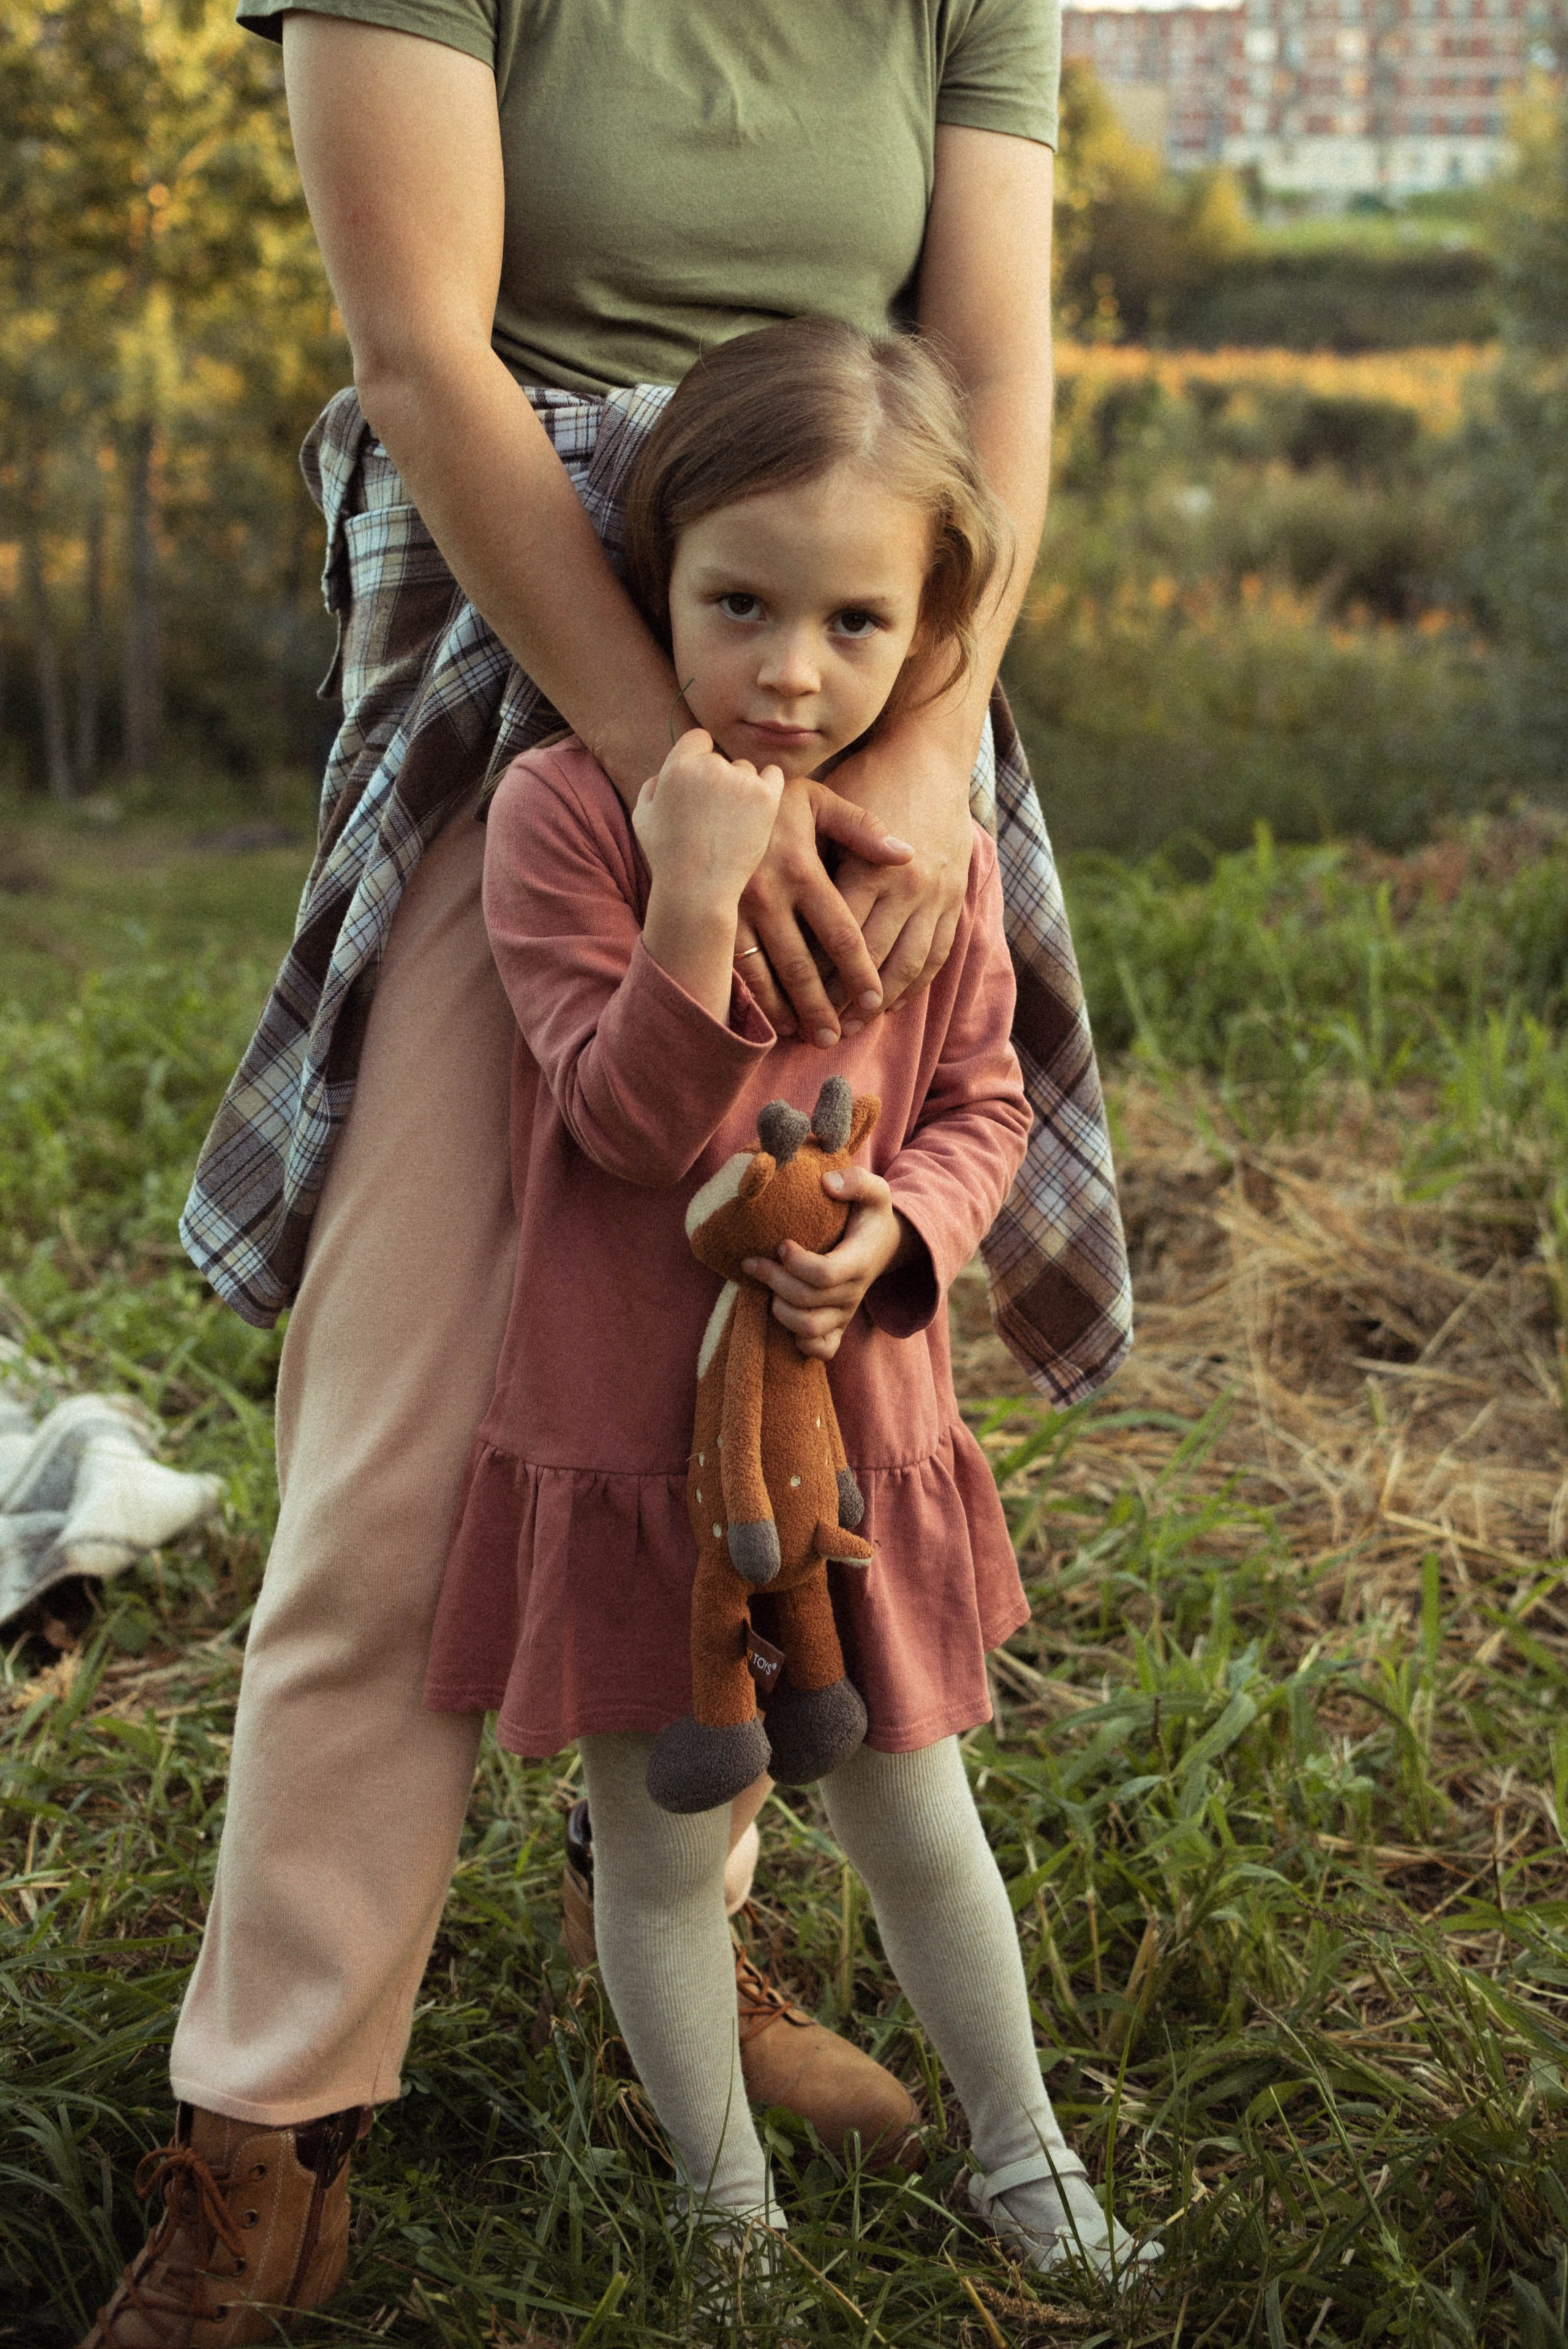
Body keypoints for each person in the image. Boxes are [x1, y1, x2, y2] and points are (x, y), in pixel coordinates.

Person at [80, 6, 1134, 2343]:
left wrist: (928, 748)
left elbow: (988, 351)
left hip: (847, 617)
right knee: (395, 1458)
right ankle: (271, 2134)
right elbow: (419, 351)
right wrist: (675, 778)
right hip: (545, 624)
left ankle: (665, 1887)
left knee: (761, 1403)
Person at [422, 317, 1156, 2284]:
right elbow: (622, 1121)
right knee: (664, 1855)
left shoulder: (933, 848)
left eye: (853, 620)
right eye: (737, 603)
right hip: (627, 1446)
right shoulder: (568, 819)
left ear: (931, 632)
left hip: (852, 1440)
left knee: (920, 1815)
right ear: (654, 577)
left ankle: (1023, 2151)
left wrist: (901, 1229)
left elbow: (992, 1095)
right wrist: (687, 896)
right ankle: (722, 2211)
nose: (790, 669)